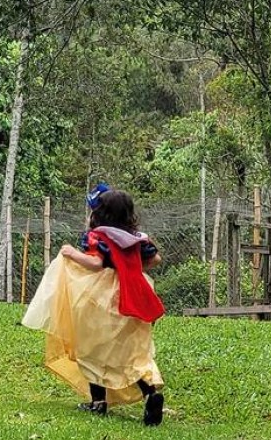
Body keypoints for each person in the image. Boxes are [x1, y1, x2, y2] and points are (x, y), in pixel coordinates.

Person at [22, 183, 167, 426]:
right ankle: (151, 391)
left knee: (93, 349)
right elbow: (155, 259)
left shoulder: (98, 236)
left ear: (99, 213)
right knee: (130, 353)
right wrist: (129, 268)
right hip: (134, 297)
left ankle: (98, 402)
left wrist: (70, 253)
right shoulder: (138, 238)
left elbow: (96, 264)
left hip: (103, 298)